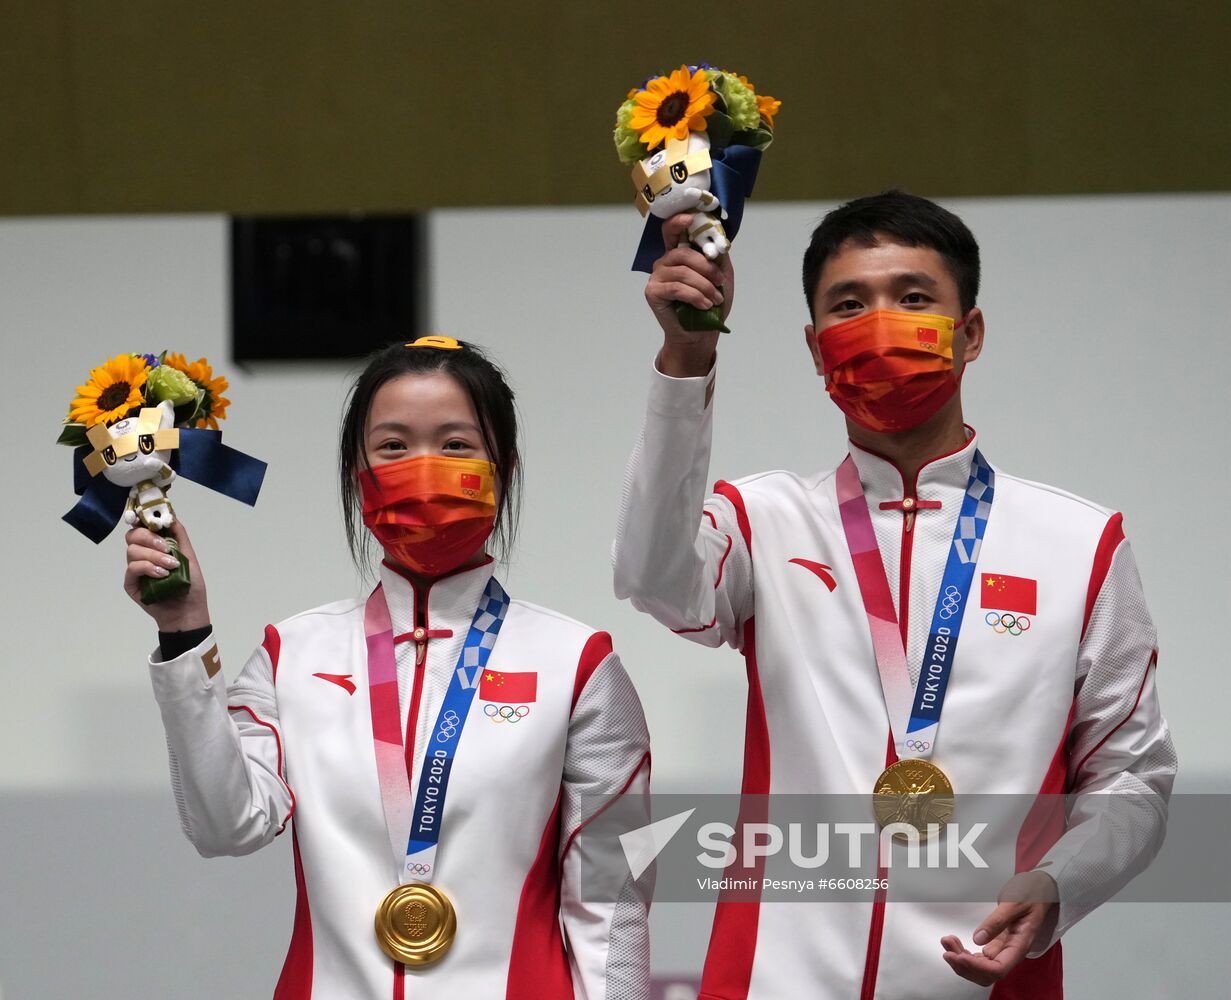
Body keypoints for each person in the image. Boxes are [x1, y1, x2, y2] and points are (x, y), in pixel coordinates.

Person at [613, 191, 1175, 999]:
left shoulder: (1079, 543)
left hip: (986, 977)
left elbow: (1131, 775)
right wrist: (685, 358)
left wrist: (1060, 882)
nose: (879, 322)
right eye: (849, 305)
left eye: (913, 298)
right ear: (815, 349)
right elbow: (650, 575)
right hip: (772, 978)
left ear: (969, 332)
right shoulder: (763, 521)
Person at [127, 337, 652, 999]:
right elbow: (225, 826)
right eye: (394, 447)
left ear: (504, 467)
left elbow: (611, 905)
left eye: (455, 444)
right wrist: (183, 631)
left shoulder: (576, 664)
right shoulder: (294, 654)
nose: (422, 468)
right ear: (358, 473)